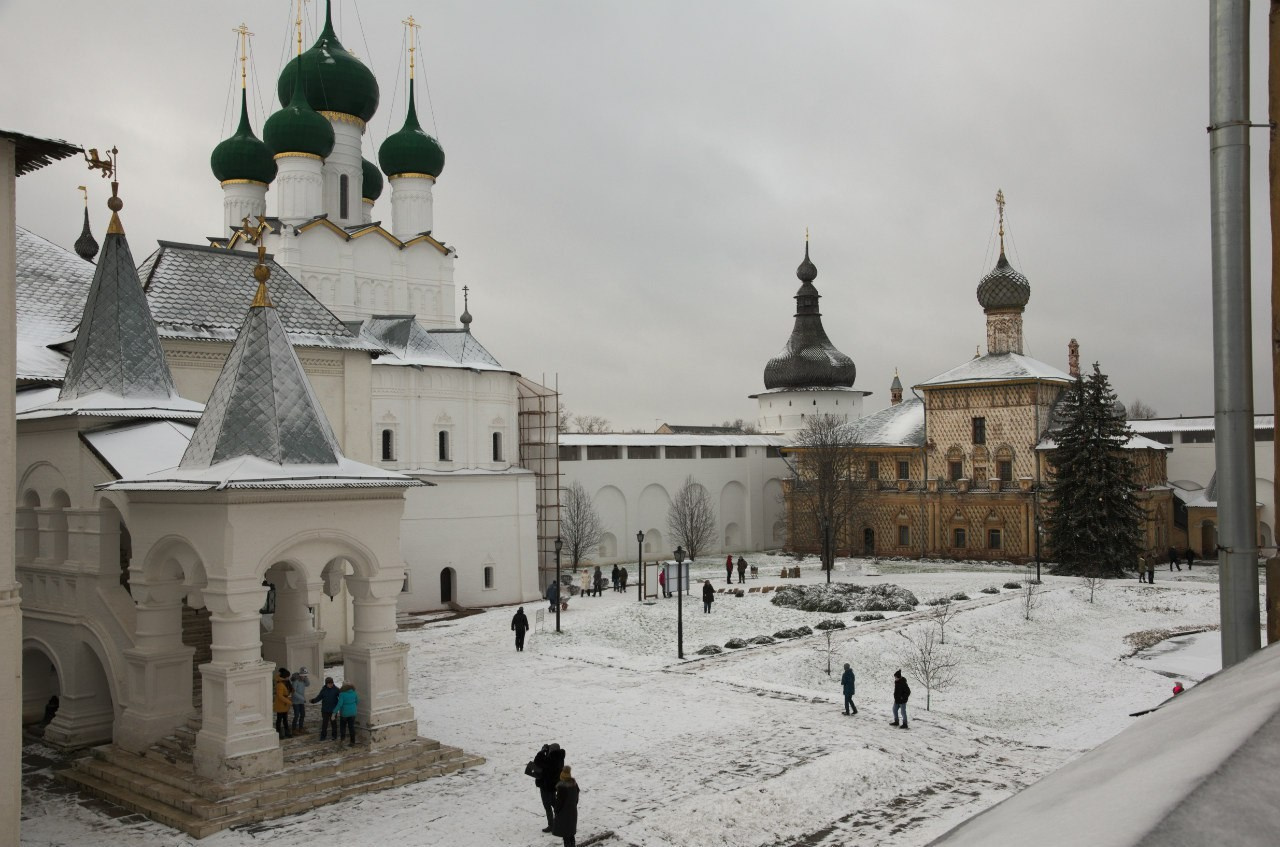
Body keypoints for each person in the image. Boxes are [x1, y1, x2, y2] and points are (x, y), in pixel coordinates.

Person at [534, 742, 565, 833]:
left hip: (545, 786)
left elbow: (537, 761)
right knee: (554, 804)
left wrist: (542, 751)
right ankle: (561, 821)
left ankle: (551, 825)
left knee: (547, 806)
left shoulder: (550, 760)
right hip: (553, 786)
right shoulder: (559, 759)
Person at [552, 765, 579, 847]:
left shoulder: (562, 788)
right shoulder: (574, 785)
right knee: (571, 835)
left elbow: (559, 804)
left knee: (566, 837)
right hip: (573, 812)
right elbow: (576, 800)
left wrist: (556, 810)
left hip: (564, 815)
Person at [311, 676, 340, 740]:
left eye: (331, 683)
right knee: (324, 724)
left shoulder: (336, 689)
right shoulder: (323, 690)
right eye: (329, 683)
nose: (330, 685)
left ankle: (334, 736)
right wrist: (313, 701)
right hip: (325, 710)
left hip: (333, 710)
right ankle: (323, 736)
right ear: (326, 684)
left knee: (334, 724)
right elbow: (319, 697)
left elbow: (341, 697)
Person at [273, 667, 293, 739]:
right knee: (279, 719)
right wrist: (289, 702)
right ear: (285, 676)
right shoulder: (280, 684)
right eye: (288, 676)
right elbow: (280, 696)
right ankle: (279, 732)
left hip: (285, 704)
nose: (289, 678)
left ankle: (287, 732)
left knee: (285, 719)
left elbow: (290, 690)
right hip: (280, 705)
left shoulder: (286, 682)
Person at [337, 682, 358, 746]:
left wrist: (334, 712)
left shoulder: (342, 694)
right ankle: (352, 742)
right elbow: (357, 701)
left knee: (343, 727)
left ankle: (342, 740)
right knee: (351, 727)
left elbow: (339, 704)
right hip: (353, 713)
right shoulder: (354, 693)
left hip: (344, 713)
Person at [290, 666, 310, 733]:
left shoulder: (303, 681)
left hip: (301, 701)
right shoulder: (295, 682)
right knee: (296, 715)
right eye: (304, 676)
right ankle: (294, 729)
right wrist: (302, 698)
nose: (304, 677)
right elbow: (293, 692)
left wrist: (306, 678)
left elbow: (308, 684)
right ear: (300, 675)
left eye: (305, 676)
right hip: (296, 701)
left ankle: (301, 727)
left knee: (303, 714)